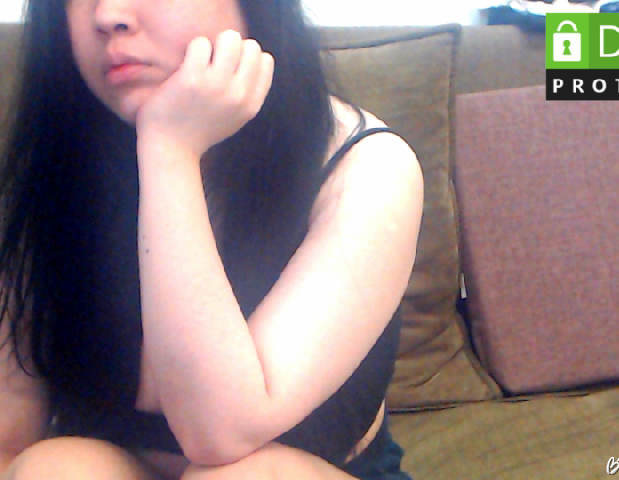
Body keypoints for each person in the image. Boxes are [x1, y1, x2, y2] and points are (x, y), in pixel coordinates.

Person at [0, 0, 423, 478]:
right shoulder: (58, 163)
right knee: (54, 469)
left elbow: (221, 432)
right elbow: (8, 441)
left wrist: (171, 151)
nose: (108, 13)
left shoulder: (367, 167)